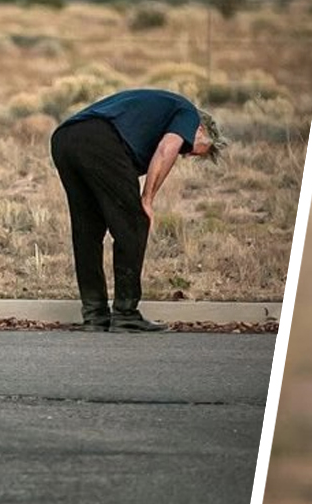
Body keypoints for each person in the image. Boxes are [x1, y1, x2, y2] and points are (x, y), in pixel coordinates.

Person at [50, 88, 225, 333]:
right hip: (99, 140)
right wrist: (147, 200)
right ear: (201, 130)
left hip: (64, 138)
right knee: (135, 223)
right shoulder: (188, 114)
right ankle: (125, 314)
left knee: (87, 231)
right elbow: (167, 149)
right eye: (190, 150)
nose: (185, 155)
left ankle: (95, 315)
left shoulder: (158, 111)